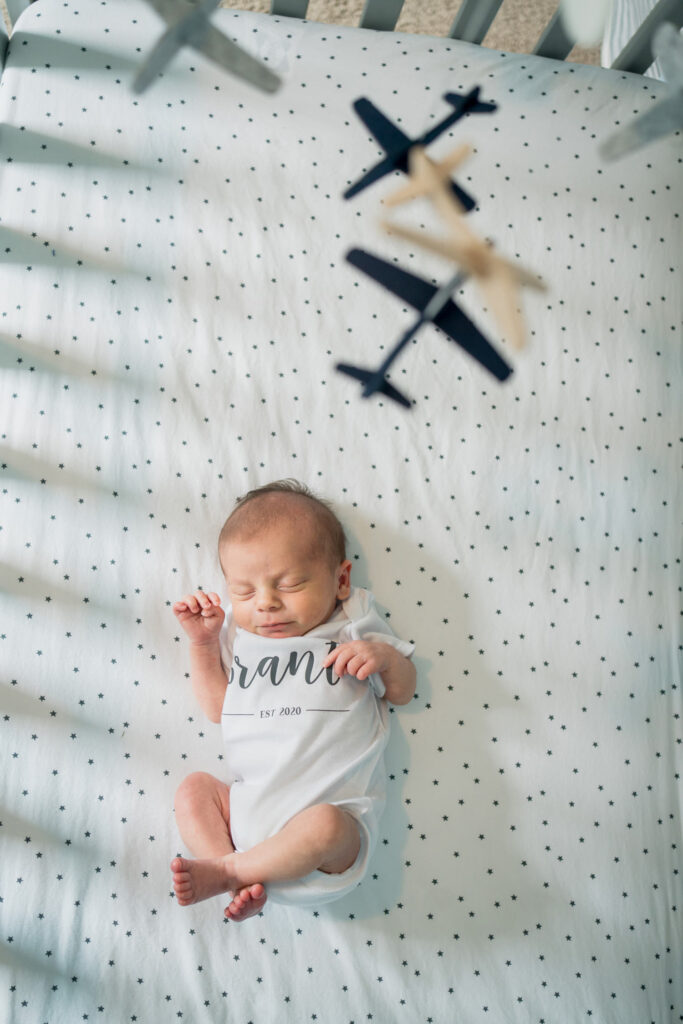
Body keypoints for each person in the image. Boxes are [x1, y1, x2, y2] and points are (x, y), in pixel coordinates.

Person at [170, 480, 416, 922]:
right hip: (246, 827)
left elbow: (403, 690)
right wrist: (203, 644)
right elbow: (217, 709)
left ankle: (229, 872)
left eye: (290, 584)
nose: (266, 604)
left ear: (341, 580)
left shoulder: (351, 622)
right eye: (244, 592)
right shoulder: (239, 635)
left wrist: (384, 658)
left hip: (329, 842)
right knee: (194, 791)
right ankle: (231, 868)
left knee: (326, 825)